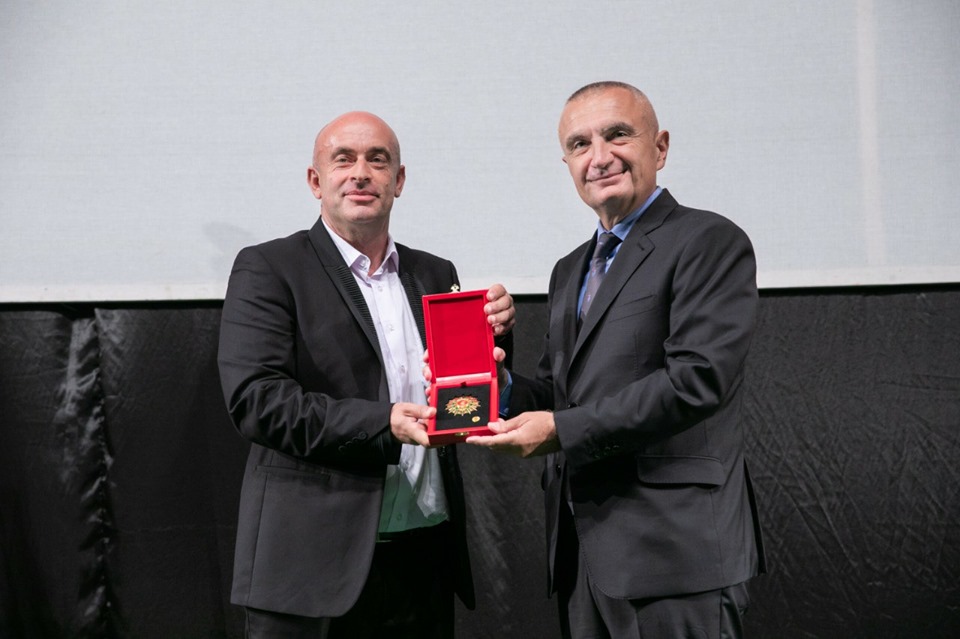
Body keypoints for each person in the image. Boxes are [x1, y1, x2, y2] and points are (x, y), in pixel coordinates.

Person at [468, 82, 766, 638]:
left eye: (618, 135)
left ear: (660, 147)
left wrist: (560, 430)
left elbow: (695, 381)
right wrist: (494, 379)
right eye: (579, 144)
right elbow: (559, 395)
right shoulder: (569, 269)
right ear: (567, 163)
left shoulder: (708, 241)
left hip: (675, 556)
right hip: (583, 559)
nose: (599, 157)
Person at [217, 111, 515, 638]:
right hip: (309, 568)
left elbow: (460, 386)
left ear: (399, 180)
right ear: (316, 181)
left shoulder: (436, 273)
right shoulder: (269, 268)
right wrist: (385, 423)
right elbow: (257, 402)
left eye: (378, 160)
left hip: (424, 558)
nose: (361, 173)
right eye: (343, 159)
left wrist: (495, 339)